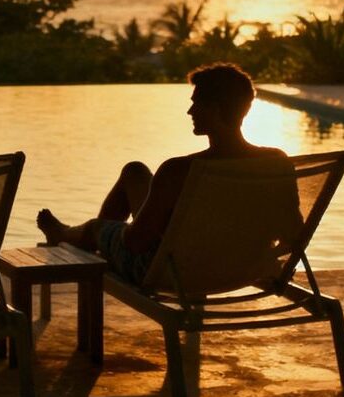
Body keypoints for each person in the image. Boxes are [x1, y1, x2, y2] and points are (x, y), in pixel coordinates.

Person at [36, 63, 288, 285]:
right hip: (243, 263)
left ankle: (65, 236)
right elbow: (290, 231)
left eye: (195, 103)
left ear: (214, 108)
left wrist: (111, 231)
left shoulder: (179, 170)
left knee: (97, 228)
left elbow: (136, 242)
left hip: (176, 272)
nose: (190, 112)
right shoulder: (275, 161)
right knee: (134, 171)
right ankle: (95, 244)